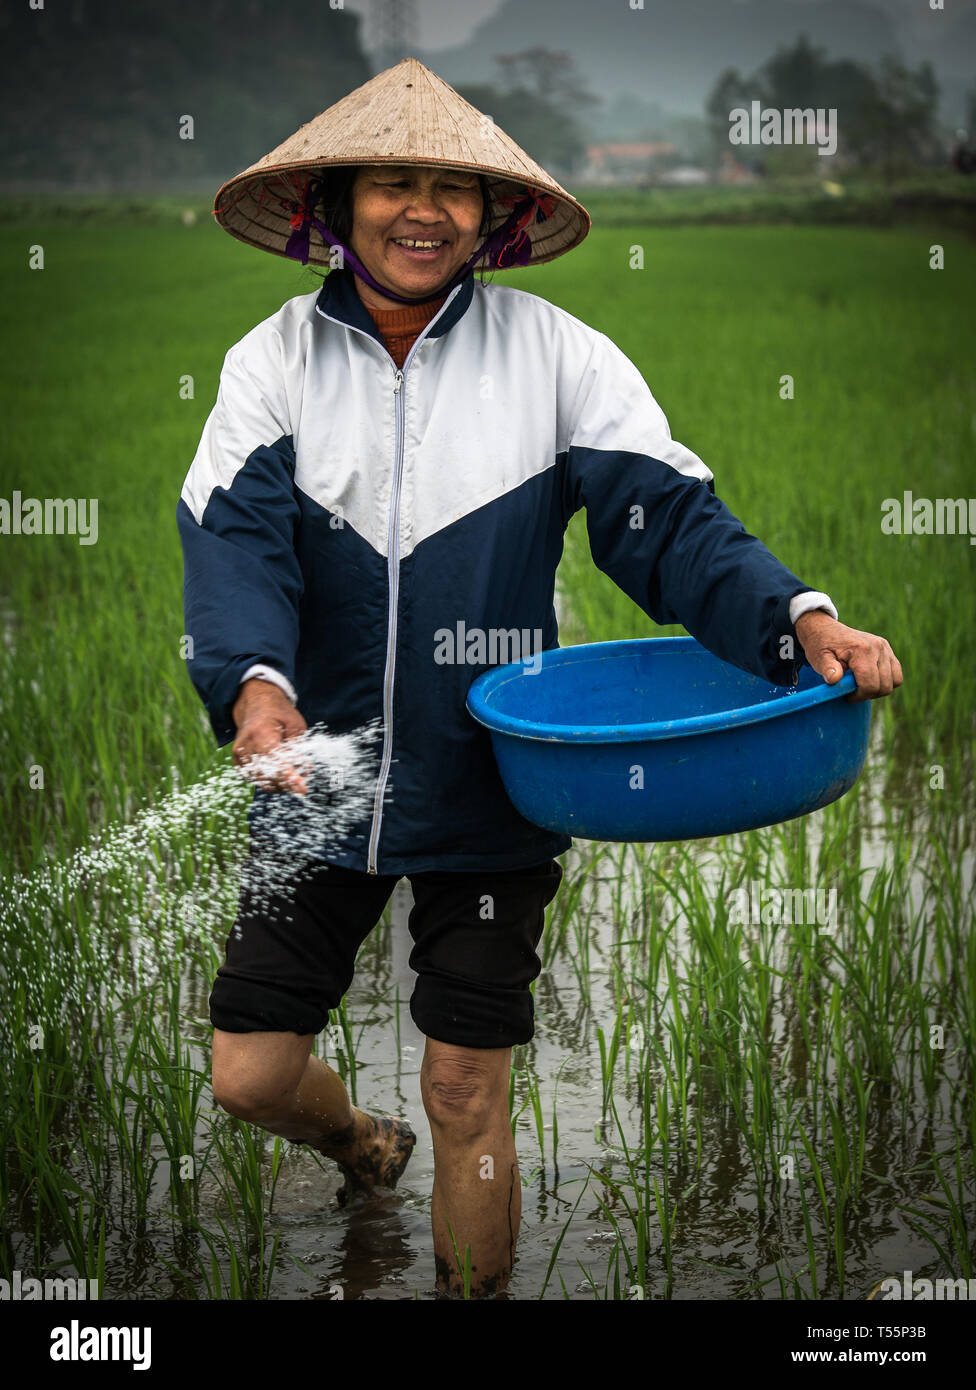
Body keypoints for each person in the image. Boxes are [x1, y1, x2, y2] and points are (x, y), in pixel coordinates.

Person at [177, 59, 902, 1299]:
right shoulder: (272, 366)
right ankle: (358, 1141)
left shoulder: (554, 354)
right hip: (316, 779)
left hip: (492, 779)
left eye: (452, 190)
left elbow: (670, 522)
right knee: (248, 1073)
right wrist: (256, 688)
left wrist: (799, 617)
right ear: (341, 204)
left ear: (490, 214)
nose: (424, 212)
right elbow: (234, 541)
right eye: (395, 183)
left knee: (465, 1083)